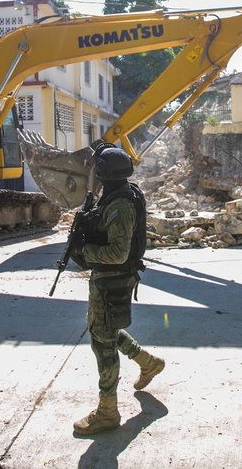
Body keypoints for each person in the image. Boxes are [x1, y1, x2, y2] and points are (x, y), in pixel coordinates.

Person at [71, 142, 165, 436]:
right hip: (109, 279)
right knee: (103, 328)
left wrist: (84, 251)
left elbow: (118, 253)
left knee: (102, 343)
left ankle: (107, 412)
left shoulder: (121, 204)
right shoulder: (116, 193)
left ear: (104, 174)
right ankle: (148, 362)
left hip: (113, 278)